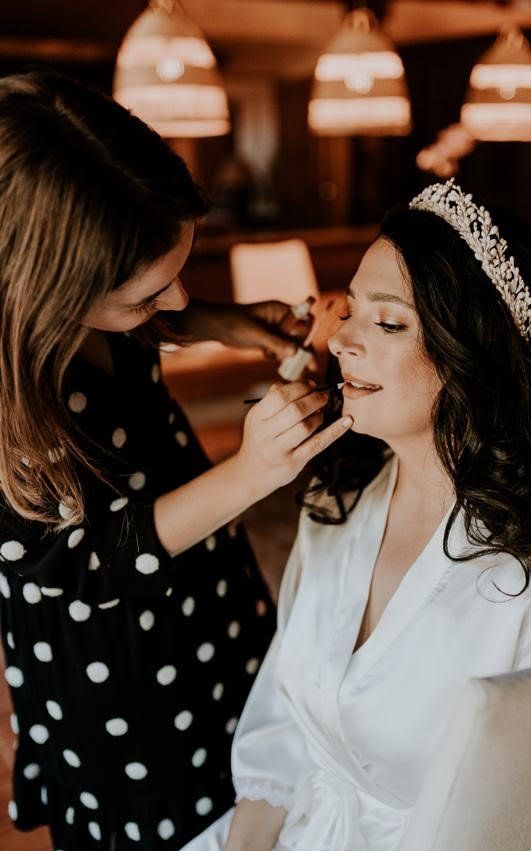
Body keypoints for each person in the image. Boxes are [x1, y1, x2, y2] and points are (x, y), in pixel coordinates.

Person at [215, 181, 531, 851]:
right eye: (351, 310)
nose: (339, 341)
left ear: (470, 353)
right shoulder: (334, 502)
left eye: (387, 321)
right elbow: (281, 725)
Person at [0, 72, 352, 851]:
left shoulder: (96, 307)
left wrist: (226, 322)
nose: (176, 297)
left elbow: (152, 314)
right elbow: (81, 565)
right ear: (49, 289)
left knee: (255, 769)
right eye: (147, 293)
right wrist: (251, 472)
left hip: (203, 582)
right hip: (113, 658)